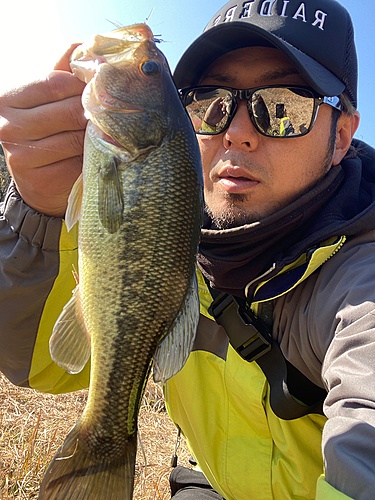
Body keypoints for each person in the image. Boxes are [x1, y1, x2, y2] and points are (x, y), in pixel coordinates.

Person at [0, 0, 374, 499]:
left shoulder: (360, 285)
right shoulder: (171, 239)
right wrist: (39, 214)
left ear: (342, 136)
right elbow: (30, 363)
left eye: (284, 107)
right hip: (208, 479)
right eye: (209, 103)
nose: (237, 133)